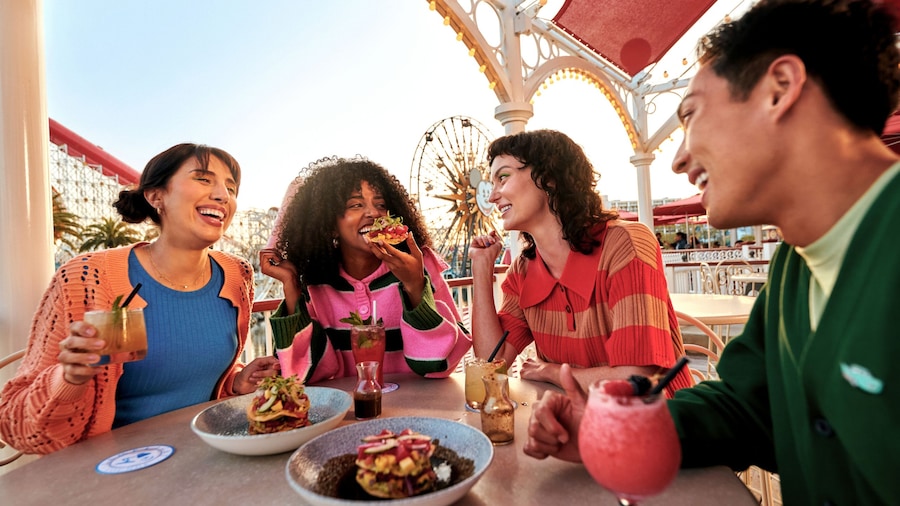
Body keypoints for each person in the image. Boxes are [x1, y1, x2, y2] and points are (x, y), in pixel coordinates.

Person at [523, 1, 900, 503]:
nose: (678, 159)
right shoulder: (795, 265)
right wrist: (610, 429)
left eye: (692, 115)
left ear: (779, 89)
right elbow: (747, 408)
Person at [0, 143, 280, 455]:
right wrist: (68, 379)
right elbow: (15, 424)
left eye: (230, 186)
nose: (222, 195)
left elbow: (189, 376)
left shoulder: (237, 274)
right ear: (156, 196)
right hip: (115, 473)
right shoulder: (90, 278)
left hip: (212, 457)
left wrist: (236, 381)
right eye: (203, 179)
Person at [468, 129, 692, 397]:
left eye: (503, 177)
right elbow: (492, 363)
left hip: (657, 427)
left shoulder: (625, 243)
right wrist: (481, 271)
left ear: (549, 178)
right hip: (574, 426)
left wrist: (553, 372)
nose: (492, 196)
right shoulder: (523, 271)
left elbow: (637, 380)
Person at [259, 156, 470, 384]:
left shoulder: (421, 265)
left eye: (380, 205)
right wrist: (291, 286)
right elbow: (303, 372)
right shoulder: (314, 282)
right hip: (348, 412)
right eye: (356, 205)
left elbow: (441, 365)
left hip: (417, 411)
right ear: (330, 226)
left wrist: (416, 286)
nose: (373, 213)